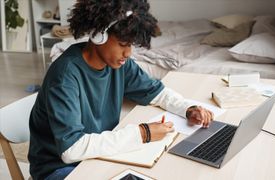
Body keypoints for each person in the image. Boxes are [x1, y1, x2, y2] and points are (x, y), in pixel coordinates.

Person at [28, 0, 213, 179]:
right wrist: (142, 133)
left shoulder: (120, 65)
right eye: (123, 44)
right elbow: (71, 149)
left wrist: (188, 109)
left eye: (131, 45)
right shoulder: (65, 75)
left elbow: (156, 92)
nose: (128, 53)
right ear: (98, 35)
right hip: (59, 168)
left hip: (98, 156)